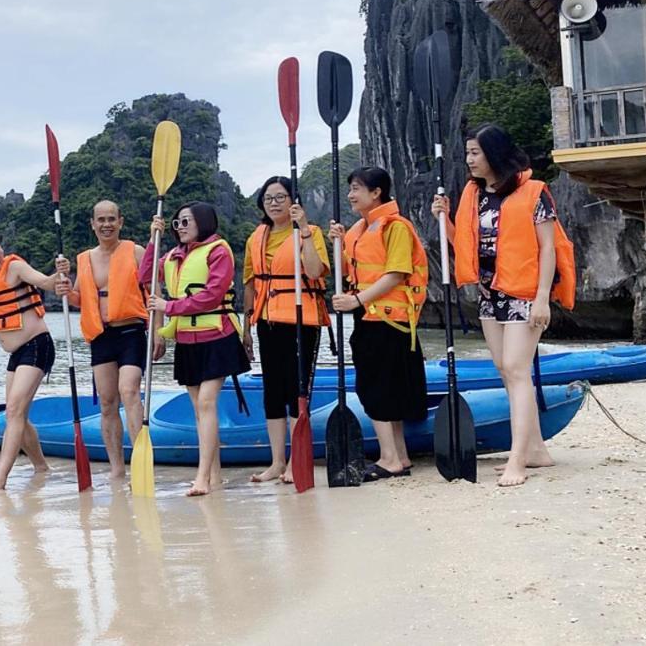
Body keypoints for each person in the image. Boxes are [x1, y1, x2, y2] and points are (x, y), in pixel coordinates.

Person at [433, 124, 575, 488]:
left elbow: (548, 249)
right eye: (467, 153)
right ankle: (536, 450)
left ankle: (517, 460)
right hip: (489, 293)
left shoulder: (534, 192)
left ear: (494, 153)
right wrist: (445, 220)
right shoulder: (474, 193)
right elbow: (467, 244)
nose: (469, 160)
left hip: (524, 291)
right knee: (504, 368)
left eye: (476, 153)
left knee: (516, 368)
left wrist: (543, 298)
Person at [141, 202, 250, 497]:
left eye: (186, 221)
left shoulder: (219, 251)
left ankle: (201, 478)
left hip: (217, 336)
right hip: (188, 340)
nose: (181, 227)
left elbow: (212, 295)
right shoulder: (174, 256)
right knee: (199, 409)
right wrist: (154, 239)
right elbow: (146, 275)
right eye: (177, 223)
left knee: (206, 403)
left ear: (203, 221)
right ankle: (213, 476)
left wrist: (169, 306)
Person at [329, 168, 428, 482]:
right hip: (370, 317)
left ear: (377, 192)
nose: (350, 194)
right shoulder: (360, 228)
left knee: (378, 388)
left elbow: (396, 273)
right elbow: (348, 270)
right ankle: (399, 455)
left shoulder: (395, 227)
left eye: (357, 188)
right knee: (382, 386)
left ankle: (389, 459)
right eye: (350, 188)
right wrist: (338, 242)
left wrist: (356, 301)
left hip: (389, 318)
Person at [54, 200, 162, 481]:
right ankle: (117, 468)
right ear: (92, 224)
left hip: (131, 331)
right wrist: (66, 289)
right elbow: (79, 297)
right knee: (107, 402)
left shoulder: (135, 251)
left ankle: (141, 462)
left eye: (111, 219)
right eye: (101, 219)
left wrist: (159, 330)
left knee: (129, 391)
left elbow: (154, 286)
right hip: (101, 336)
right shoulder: (83, 258)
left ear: (121, 222)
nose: (106, 224)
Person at [242, 176, 330, 485]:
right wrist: (246, 328)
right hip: (267, 320)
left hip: (301, 321)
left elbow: (316, 270)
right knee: (273, 393)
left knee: (297, 391)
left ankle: (297, 460)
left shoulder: (311, 232)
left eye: (281, 197)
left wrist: (303, 229)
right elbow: (251, 285)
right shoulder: (256, 237)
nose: (274, 203)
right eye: (269, 198)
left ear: (293, 201)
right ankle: (277, 462)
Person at [0, 232, 63, 494]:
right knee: (18, 413)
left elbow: (46, 282)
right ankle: (41, 467)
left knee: (14, 412)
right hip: (17, 354)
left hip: (37, 345)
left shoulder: (15, 267)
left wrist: (60, 275)